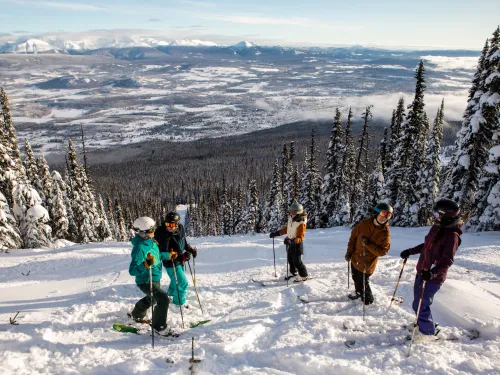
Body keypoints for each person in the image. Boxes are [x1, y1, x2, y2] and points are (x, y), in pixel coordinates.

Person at [400, 198, 463, 343]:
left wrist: (432, 273)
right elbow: (427, 245)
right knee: (417, 303)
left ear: (446, 215)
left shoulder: (452, 236)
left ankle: (427, 332)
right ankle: (424, 324)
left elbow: (447, 261)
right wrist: (410, 251)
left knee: (422, 304)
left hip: (432, 277)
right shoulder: (437, 227)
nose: (435, 217)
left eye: (438, 214)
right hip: (422, 271)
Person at [128, 216, 175, 334]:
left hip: (155, 277)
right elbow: (132, 270)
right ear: (143, 233)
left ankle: (137, 314)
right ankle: (159, 327)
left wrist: (168, 255)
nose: (154, 231)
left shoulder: (151, 241)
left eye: (153, 228)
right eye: (151, 230)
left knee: (153, 298)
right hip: (145, 280)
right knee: (163, 299)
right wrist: (145, 264)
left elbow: (156, 257)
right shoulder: (139, 248)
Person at [345, 202, 392, 305]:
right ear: (376, 213)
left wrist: (368, 244)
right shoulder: (363, 224)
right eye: (383, 214)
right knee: (355, 278)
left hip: (368, 263)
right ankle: (358, 293)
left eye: (388, 215)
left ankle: (368, 301)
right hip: (355, 258)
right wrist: (349, 252)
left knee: (362, 283)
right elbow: (353, 239)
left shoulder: (385, 233)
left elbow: (383, 251)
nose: (385, 218)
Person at [154, 211, 197, 309]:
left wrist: (189, 250)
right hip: (170, 262)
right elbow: (158, 253)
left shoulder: (180, 228)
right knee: (182, 282)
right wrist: (169, 255)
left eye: (172, 224)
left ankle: (170, 293)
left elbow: (183, 241)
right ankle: (178, 303)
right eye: (167, 224)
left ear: (177, 224)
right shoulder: (161, 233)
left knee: (175, 280)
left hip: (179, 260)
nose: (169, 226)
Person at [270, 201, 309, 282]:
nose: (291, 212)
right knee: (290, 260)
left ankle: (304, 276)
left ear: (298, 212)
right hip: (290, 242)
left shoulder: (301, 222)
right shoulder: (292, 218)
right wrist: (276, 233)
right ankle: (293, 274)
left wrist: (293, 241)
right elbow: (287, 229)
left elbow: (300, 237)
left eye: (293, 211)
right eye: (291, 211)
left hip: (297, 244)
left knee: (297, 261)